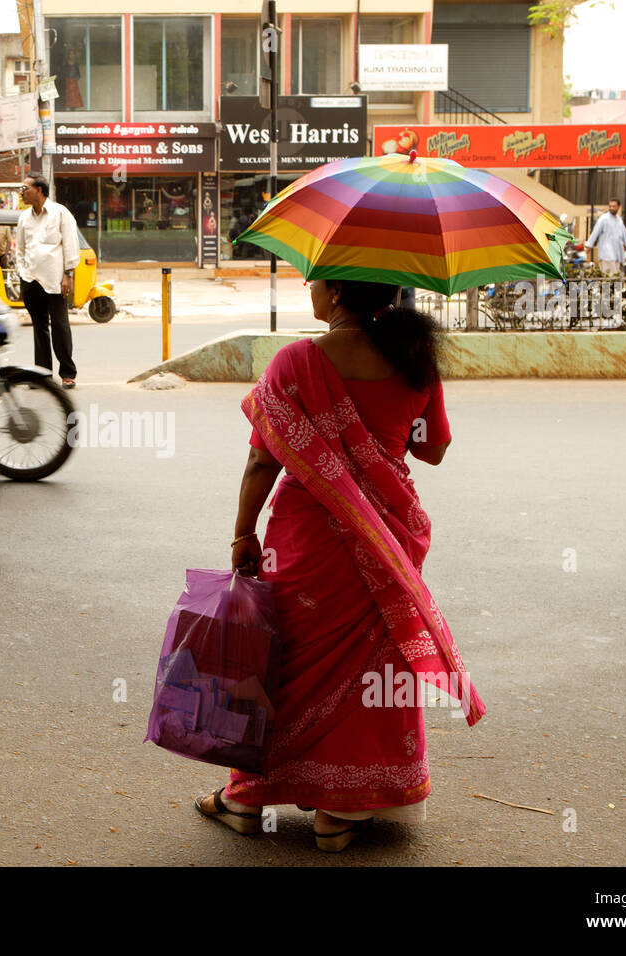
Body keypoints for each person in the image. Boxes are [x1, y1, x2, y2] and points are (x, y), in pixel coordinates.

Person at [195, 279, 485, 853]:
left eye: (315, 281)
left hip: (306, 538)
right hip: (387, 537)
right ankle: (339, 812)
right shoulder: (412, 358)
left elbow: (261, 460)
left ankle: (245, 798)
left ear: (333, 293)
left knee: (290, 662)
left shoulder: (298, 361)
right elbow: (433, 448)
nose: (310, 290)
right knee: (371, 673)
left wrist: (241, 533)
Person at [15, 174, 80, 388]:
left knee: (60, 326)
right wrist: (23, 273)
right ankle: (42, 375)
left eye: (25, 188)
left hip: (55, 280)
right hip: (31, 279)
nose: (21, 192)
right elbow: (21, 249)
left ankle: (67, 373)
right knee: (39, 327)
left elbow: (70, 245)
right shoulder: (24, 217)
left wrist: (68, 274)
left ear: (40, 190)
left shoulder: (60, 213)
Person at [587, 198, 626, 275]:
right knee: (608, 278)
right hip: (606, 254)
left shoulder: (619, 220)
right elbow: (595, 232)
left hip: (617, 255)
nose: (611, 208)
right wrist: (589, 246)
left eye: (614, 206)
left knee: (615, 278)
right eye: (610, 206)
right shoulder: (604, 219)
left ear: (618, 207)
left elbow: (625, 236)